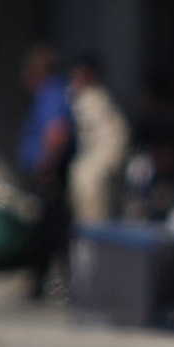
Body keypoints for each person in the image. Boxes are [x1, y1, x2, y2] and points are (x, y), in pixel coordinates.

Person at [17, 44, 75, 299]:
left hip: (52, 175)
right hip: (49, 173)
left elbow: (57, 133)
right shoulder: (53, 93)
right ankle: (41, 281)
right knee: (47, 230)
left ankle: (50, 283)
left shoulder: (51, 93)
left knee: (53, 231)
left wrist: (45, 167)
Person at [67, 54, 130, 227]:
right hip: (90, 170)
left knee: (94, 222)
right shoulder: (82, 99)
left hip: (96, 174)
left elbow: (117, 138)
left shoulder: (95, 100)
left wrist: (103, 166)